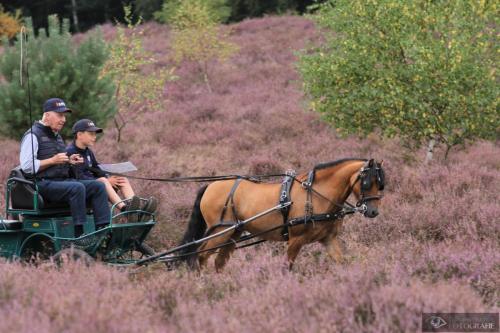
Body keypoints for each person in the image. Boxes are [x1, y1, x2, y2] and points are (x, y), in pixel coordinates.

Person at [19, 98, 111, 233]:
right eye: (60, 115)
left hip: (59, 182)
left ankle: (103, 230)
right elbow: (27, 166)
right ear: (47, 115)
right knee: (77, 187)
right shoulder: (33, 135)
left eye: (64, 116)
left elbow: (58, 160)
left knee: (98, 186)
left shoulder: (57, 136)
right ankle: (79, 234)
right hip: (41, 184)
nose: (64, 119)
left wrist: (69, 160)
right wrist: (52, 160)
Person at [66, 118, 157, 222]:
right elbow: (79, 176)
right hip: (81, 190)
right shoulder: (71, 152)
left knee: (121, 179)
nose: (94, 137)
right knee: (103, 181)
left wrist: (110, 176)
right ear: (79, 135)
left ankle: (136, 212)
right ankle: (125, 210)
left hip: (96, 185)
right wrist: (106, 181)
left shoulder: (88, 151)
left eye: (95, 134)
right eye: (91, 134)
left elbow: (96, 168)